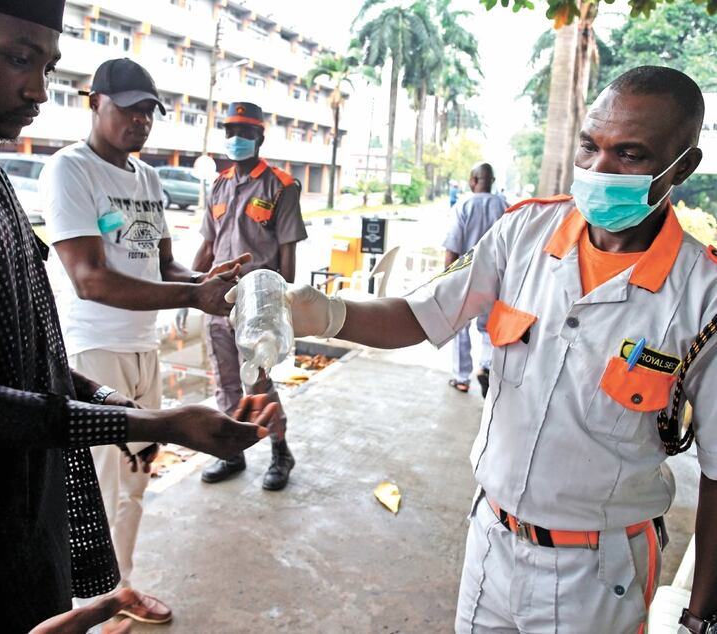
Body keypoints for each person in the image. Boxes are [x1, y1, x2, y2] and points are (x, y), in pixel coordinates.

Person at [285, 66, 717, 633]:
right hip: (491, 540)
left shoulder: (702, 296)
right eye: (589, 146)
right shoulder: (523, 233)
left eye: (630, 155)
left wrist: (700, 616)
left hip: (598, 575)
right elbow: (422, 314)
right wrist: (324, 312)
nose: (598, 170)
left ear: (682, 166)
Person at [0, 0, 277, 632]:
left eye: (47, 66)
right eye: (18, 58)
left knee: (125, 496)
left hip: (29, 518)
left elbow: (30, 356)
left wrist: (128, 408)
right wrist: (156, 423)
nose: (37, 89)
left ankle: (115, 595)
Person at [41, 58, 252, 625]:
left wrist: (208, 283)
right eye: (128, 108)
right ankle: (91, 606)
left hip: (143, 348)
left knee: (134, 479)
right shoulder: (70, 170)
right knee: (98, 489)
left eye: (148, 112)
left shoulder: (149, 178)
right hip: (93, 352)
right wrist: (191, 298)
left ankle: (121, 589)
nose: (140, 121)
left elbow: (164, 266)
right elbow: (88, 279)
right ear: (95, 102)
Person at [194, 101, 308, 491]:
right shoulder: (219, 184)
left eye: (245, 132)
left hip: (256, 307)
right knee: (225, 384)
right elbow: (207, 247)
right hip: (216, 300)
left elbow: (288, 262)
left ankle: (280, 450)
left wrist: (275, 307)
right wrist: (189, 290)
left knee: (258, 383)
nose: (236, 139)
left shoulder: (280, 186)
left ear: (260, 136)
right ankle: (231, 452)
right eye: (230, 132)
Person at [443, 163, 507, 396]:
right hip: (497, 278)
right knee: (490, 328)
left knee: (460, 327)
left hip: (465, 278)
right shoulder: (505, 206)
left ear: (473, 180)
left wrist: (446, 281)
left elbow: (452, 246)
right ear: (492, 180)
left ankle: (461, 378)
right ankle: (486, 367)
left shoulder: (464, 205)